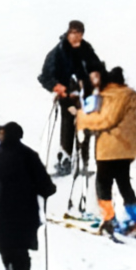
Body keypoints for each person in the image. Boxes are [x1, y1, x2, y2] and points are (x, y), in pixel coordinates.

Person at [0, 121, 56, 270]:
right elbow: (46, 186)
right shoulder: (29, 155)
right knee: (21, 256)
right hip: (24, 215)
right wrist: (48, 190)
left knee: (6, 253)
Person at [76, 68, 136, 239]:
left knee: (103, 184)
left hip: (109, 148)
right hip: (127, 148)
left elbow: (106, 120)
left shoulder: (111, 96)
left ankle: (109, 219)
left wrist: (81, 118)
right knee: (124, 183)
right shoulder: (131, 95)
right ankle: (134, 219)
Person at [39, 22, 105, 176]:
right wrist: (57, 87)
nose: (77, 36)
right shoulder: (58, 52)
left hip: (86, 97)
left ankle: (84, 162)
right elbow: (45, 76)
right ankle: (65, 161)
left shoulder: (87, 49)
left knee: (86, 128)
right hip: (67, 97)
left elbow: (97, 68)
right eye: (74, 33)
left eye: (80, 33)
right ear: (68, 33)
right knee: (67, 126)